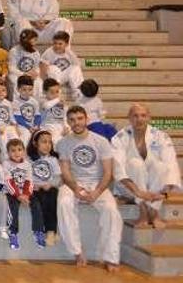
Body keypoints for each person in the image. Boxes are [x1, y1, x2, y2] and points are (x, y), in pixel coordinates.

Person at [56, 106, 122, 272]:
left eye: (79, 118)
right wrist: (76, 188)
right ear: (68, 122)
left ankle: (111, 257)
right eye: (72, 119)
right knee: (64, 203)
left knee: (111, 211)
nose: (76, 122)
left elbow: (108, 172)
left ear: (86, 119)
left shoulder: (101, 141)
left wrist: (97, 192)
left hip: (97, 184)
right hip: (73, 183)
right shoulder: (63, 143)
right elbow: (65, 170)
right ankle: (77, 252)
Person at [112, 103, 181, 229]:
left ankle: (154, 212)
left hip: (154, 186)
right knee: (135, 163)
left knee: (160, 166)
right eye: (135, 116)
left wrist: (164, 192)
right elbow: (118, 167)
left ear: (149, 117)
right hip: (129, 187)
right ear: (129, 118)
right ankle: (143, 210)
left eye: (143, 115)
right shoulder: (120, 137)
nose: (139, 119)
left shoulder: (160, 135)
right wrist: (138, 192)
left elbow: (171, 162)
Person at [28, 129, 61, 247]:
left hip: (49, 188)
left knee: (52, 197)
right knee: (38, 200)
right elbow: (25, 177)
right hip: (35, 189)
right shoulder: (28, 160)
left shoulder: (53, 160)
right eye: (43, 142)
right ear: (35, 143)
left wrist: (51, 184)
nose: (47, 145)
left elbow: (58, 178)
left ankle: (51, 231)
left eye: (49, 142)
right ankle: (41, 230)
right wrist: (32, 186)